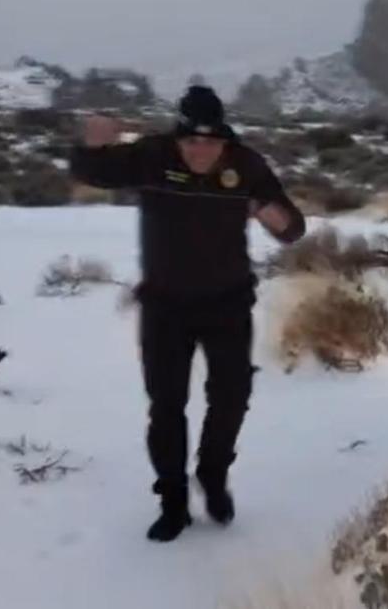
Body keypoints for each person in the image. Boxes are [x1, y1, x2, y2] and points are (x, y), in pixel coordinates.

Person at [70, 85, 305, 542]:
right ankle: (173, 500)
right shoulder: (152, 156)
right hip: (165, 307)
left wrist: (271, 215)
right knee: (166, 407)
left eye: (211, 142)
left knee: (232, 398)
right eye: (191, 141)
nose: (201, 150)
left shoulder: (247, 164)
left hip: (229, 303)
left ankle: (213, 476)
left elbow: (292, 228)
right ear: (177, 138)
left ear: (225, 140)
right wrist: (93, 144)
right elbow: (91, 171)